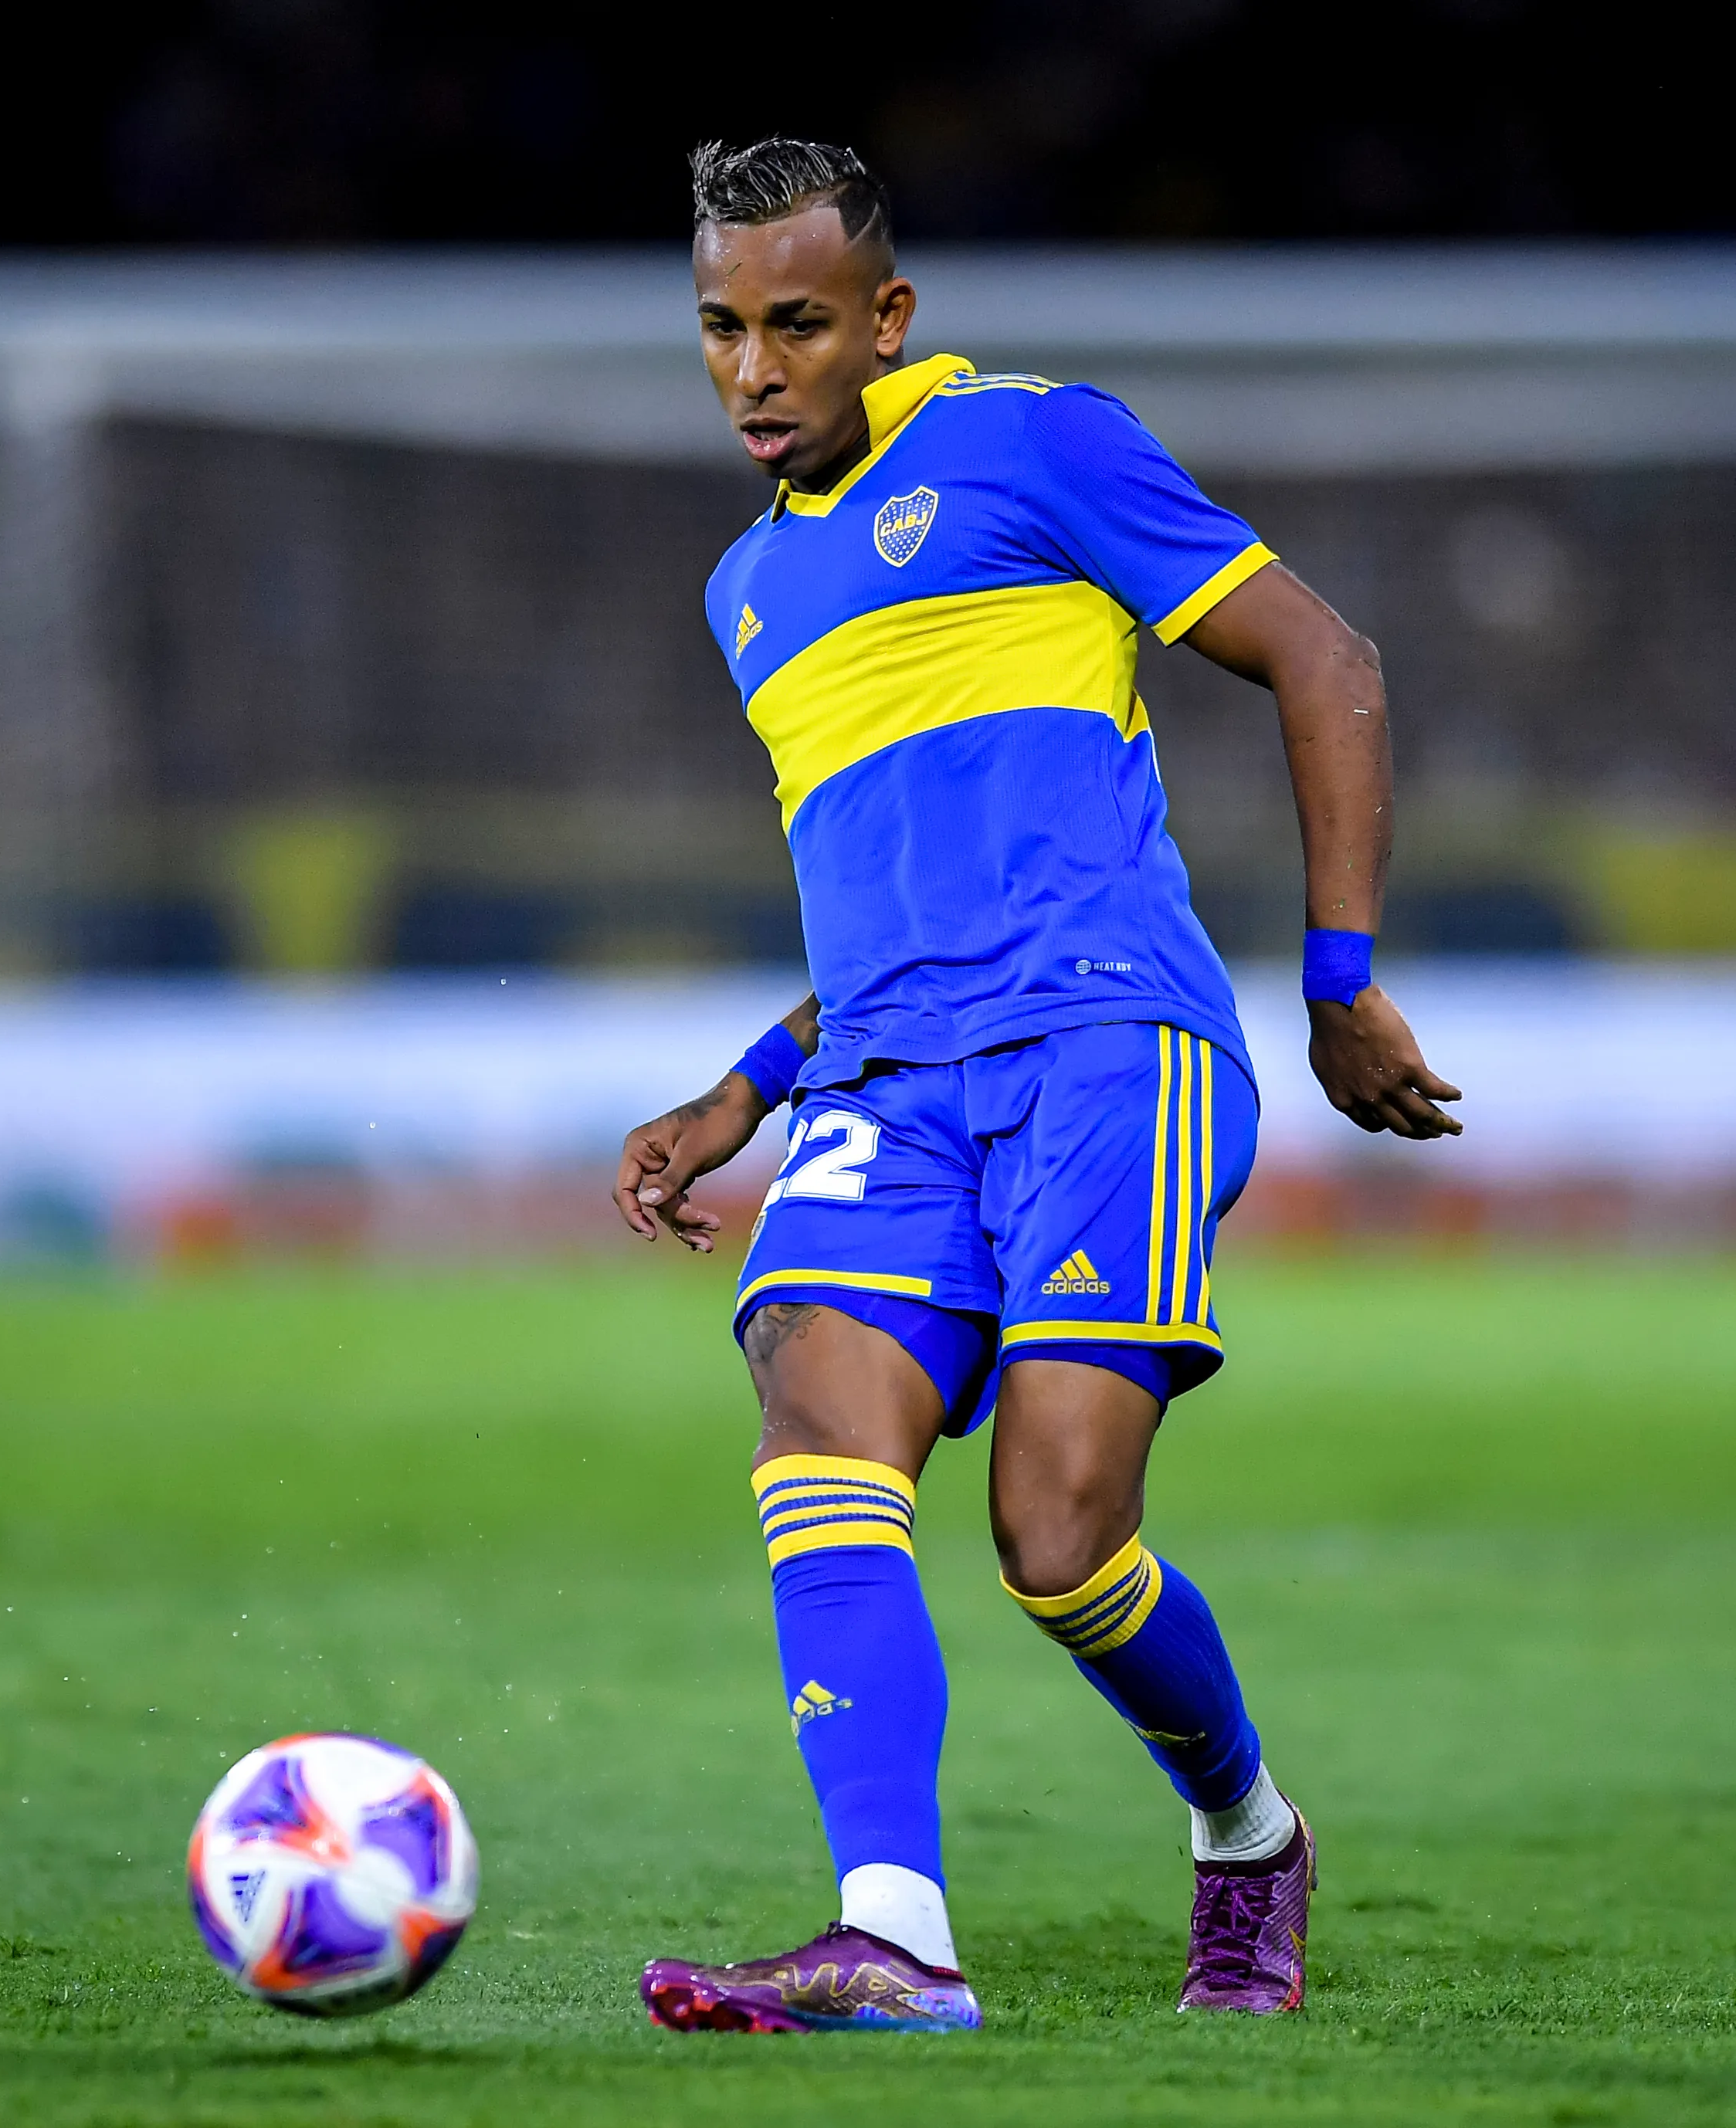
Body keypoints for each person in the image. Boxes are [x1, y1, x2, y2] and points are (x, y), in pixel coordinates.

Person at [612, 141, 1463, 2033]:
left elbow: (1325, 659)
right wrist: (744, 1088)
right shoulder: (744, 592)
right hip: (891, 1081)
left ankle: (1247, 1832)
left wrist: (1338, 990)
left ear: (887, 319)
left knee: (1053, 1532)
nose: (754, 367)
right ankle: (892, 1933)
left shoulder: (1028, 447)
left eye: (797, 325)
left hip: (1104, 1041)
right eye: (721, 329)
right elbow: (885, 899)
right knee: (815, 1425)